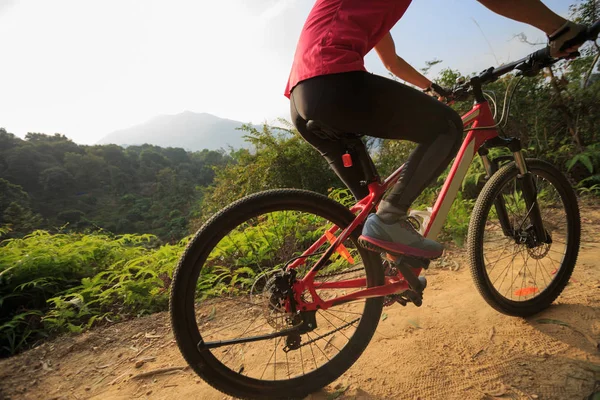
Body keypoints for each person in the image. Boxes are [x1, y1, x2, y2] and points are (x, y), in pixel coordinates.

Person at [286, 0, 585, 259]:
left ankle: (389, 274)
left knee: (369, 215)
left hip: (303, 99)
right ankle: (391, 219)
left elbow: (391, 61)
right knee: (446, 127)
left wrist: (431, 88)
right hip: (331, 79)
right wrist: (558, 28)